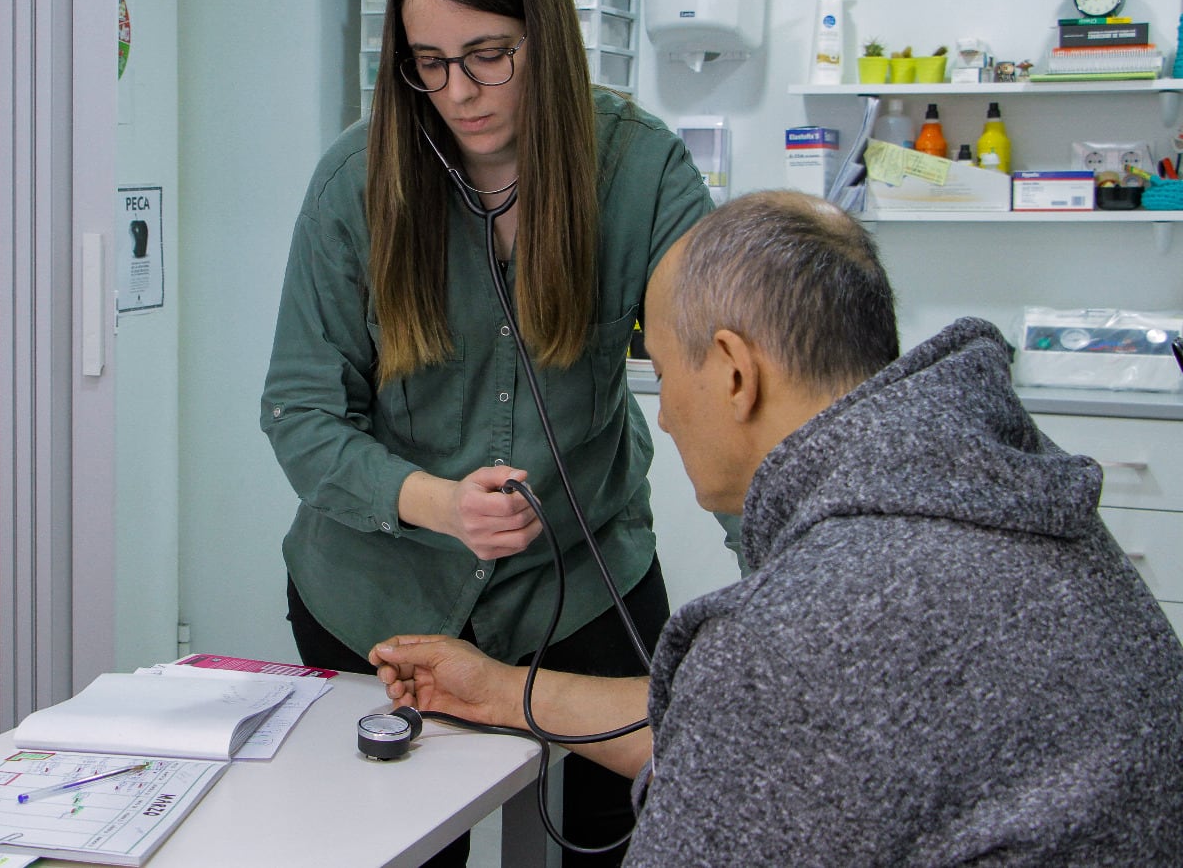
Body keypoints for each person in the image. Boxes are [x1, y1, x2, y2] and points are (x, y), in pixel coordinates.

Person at [371, 190, 1183, 864]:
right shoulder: (1009, 503)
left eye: (658, 369)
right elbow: (751, 737)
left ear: (733, 372)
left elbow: (767, 716)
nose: (669, 414)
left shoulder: (805, 629)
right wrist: (502, 691)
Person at [260, 0, 712, 865]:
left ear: (543, 36)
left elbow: (728, 371)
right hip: (376, 593)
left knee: (626, 838)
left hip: (587, 581)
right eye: (429, 64)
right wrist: (432, 501)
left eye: (487, 56)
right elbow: (298, 411)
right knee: (414, 849)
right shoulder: (354, 182)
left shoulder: (640, 170)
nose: (459, 92)